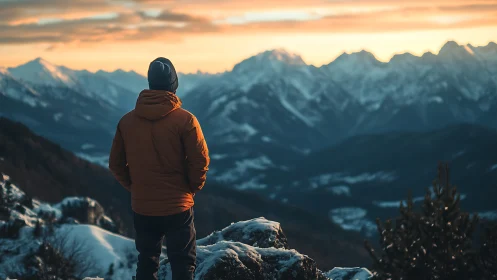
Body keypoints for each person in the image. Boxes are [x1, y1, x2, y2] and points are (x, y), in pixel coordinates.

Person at [109, 57, 210, 280]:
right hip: (178, 206)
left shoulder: (126, 122)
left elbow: (115, 164)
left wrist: (136, 187)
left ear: (150, 84)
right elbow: (200, 161)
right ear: (174, 85)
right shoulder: (186, 120)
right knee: (183, 265)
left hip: (143, 207)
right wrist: (191, 188)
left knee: (146, 261)